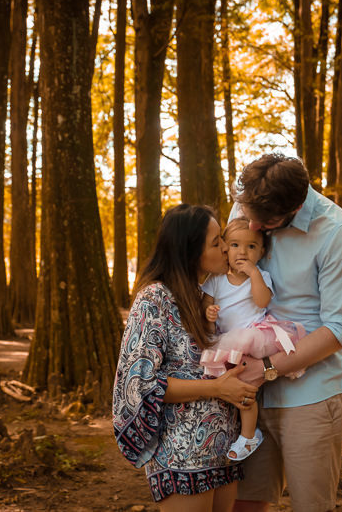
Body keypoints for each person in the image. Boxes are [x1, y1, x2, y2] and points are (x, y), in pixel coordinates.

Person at [229, 154, 342, 512]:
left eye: (265, 222)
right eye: (247, 215)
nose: (252, 228)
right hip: (246, 396)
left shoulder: (340, 234)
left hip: (312, 397)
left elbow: (339, 328)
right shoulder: (246, 209)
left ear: (296, 206)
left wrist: (267, 368)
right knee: (243, 504)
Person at [113, 204, 259, 512]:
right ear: (190, 250)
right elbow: (140, 383)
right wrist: (217, 388)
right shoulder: (154, 299)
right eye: (216, 241)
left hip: (224, 447)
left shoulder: (204, 297)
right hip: (180, 454)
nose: (224, 248)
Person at [199, 218, 307, 462]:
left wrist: (254, 274)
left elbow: (261, 302)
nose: (242, 253)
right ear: (226, 248)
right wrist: (209, 314)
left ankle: (248, 434)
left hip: (256, 336)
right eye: (235, 245)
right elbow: (206, 314)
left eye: (251, 247)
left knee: (246, 379)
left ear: (261, 252)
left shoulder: (261, 276)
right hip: (228, 344)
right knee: (239, 387)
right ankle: (242, 433)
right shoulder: (215, 281)